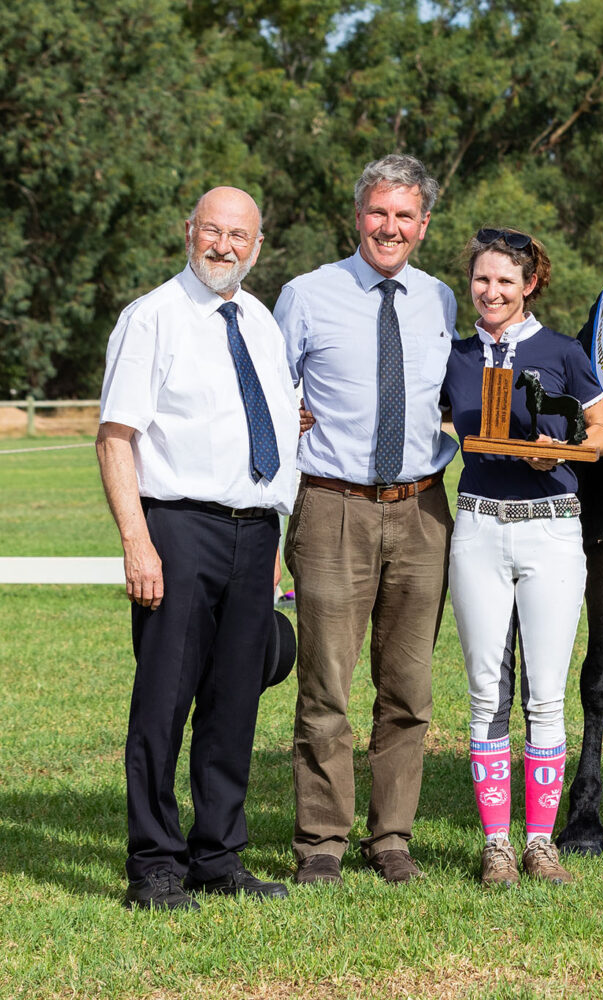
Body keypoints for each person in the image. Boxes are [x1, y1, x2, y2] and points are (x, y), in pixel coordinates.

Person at [98, 187, 298, 910]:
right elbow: (116, 436)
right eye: (211, 231)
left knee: (234, 703)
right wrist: (137, 542)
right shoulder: (152, 318)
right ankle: (154, 866)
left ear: (257, 244)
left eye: (238, 235)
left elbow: (274, 431)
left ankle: (219, 856)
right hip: (178, 529)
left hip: (255, 531)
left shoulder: (261, 322)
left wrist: (272, 535)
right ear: (190, 232)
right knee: (163, 703)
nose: (224, 246)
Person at [275, 154, 457, 885]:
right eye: (379, 212)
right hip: (332, 508)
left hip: (421, 510)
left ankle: (392, 839)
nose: (390, 227)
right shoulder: (307, 294)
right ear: (359, 216)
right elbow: (270, 392)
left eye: (405, 215)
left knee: (409, 690)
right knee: (326, 685)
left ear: (423, 225)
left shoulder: (442, 299)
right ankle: (321, 841)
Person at [443, 227, 603, 886]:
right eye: (483, 280)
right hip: (479, 528)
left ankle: (540, 843)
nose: (492, 292)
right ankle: (497, 848)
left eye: (505, 282)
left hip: (550, 529)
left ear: (530, 284)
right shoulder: (456, 355)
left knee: (545, 695)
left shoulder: (563, 352)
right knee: (486, 691)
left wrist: (562, 449)